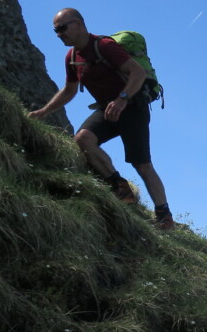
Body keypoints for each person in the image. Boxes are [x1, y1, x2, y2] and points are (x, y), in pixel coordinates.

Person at [29, 8, 175, 230]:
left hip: (132, 106)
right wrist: (44, 111)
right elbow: (69, 90)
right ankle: (120, 188)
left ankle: (164, 217)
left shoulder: (105, 46)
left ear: (78, 24)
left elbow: (138, 73)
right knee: (83, 139)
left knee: (141, 163)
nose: (59, 34)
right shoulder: (72, 57)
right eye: (55, 31)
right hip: (108, 108)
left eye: (62, 28)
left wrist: (122, 99)